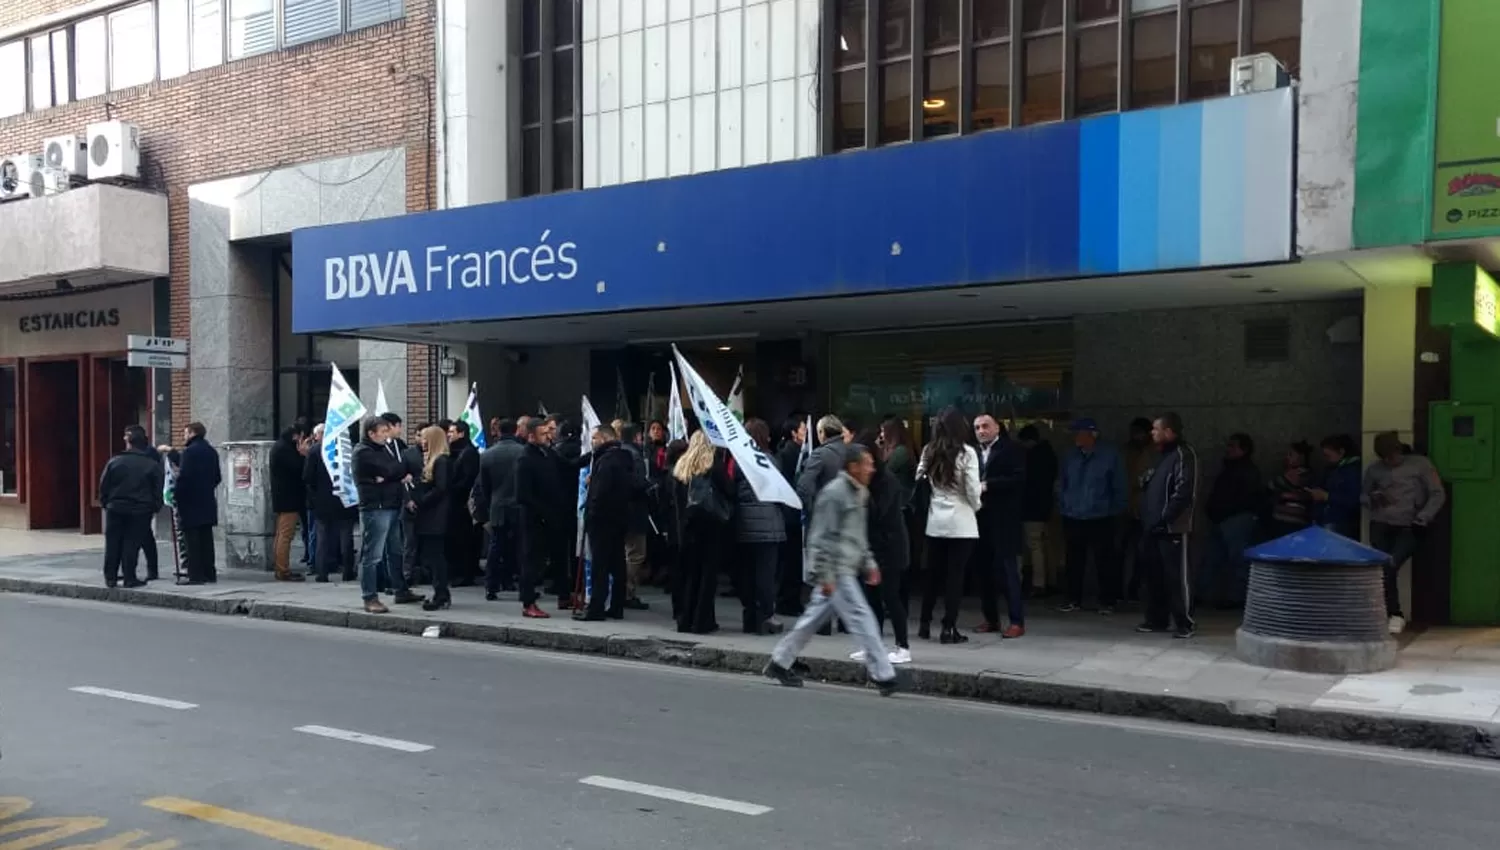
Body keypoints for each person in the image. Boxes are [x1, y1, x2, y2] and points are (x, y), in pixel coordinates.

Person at [763, 443, 899, 696]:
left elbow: (857, 535)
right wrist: (825, 575)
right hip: (836, 570)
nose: (871, 468)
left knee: (811, 620)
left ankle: (780, 661)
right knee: (862, 617)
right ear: (853, 466)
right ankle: (884, 675)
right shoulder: (835, 493)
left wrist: (868, 563)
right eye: (867, 463)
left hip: (843, 567)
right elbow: (821, 536)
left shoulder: (859, 492)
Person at [1364, 431, 1446, 635]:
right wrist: (1373, 498)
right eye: (1383, 458)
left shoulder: (1420, 465)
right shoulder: (1374, 470)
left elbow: (1437, 493)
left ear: (1398, 450)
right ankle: (1386, 614)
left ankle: (1395, 613)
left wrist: (1424, 517)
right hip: (1381, 523)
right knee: (1381, 567)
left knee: (1391, 564)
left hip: (1410, 525)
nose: (1388, 461)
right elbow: (1363, 495)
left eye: (1390, 456)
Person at [916, 406, 983, 644]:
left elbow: (919, 479)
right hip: (961, 522)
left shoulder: (928, 451)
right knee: (955, 577)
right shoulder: (967, 453)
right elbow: (973, 489)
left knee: (933, 574)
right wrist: (976, 506)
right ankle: (948, 627)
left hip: (935, 522)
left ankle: (924, 623)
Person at [352, 414, 423, 613]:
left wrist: (390, 476)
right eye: (382, 432)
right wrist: (394, 475)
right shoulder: (363, 452)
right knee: (373, 555)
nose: (386, 435)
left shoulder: (383, 449)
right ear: (370, 433)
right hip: (376, 507)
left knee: (395, 551)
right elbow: (391, 469)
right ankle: (370, 597)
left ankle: (401, 589)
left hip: (391, 505)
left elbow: (396, 468)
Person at [852, 426, 911, 664]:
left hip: (890, 549)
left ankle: (903, 646)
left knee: (890, 598)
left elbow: (880, 515)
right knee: (872, 599)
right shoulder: (866, 481)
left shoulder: (886, 481)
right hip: (871, 549)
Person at [1057, 418, 1126, 614]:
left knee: (1104, 560)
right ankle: (1072, 598)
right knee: (1073, 560)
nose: (1076, 437)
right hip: (1073, 515)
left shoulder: (1110, 455)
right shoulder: (1070, 456)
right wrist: (1064, 503)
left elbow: (1119, 485)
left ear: (1092, 435)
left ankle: (1107, 600)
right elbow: (1062, 482)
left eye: (1080, 433)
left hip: (1101, 515)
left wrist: (1114, 510)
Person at [1138, 413, 1198, 639]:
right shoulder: (1160, 456)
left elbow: (1184, 491)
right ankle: (1156, 619)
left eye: (1156, 429)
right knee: (1153, 576)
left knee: (1176, 576)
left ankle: (1185, 622)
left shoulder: (1184, 454)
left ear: (1169, 431)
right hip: (1152, 525)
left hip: (1173, 527)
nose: (1152, 433)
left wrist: (1165, 517)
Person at [673, 430, 734, 634]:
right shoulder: (713, 465)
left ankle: (685, 619)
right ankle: (702, 621)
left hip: (687, 527)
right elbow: (729, 490)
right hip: (710, 526)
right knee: (708, 576)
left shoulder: (682, 465)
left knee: (690, 575)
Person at [973, 414, 1026, 638]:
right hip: (981, 519)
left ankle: (1016, 620)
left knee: (1008, 571)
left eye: (986, 426)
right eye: (977, 428)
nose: (981, 431)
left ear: (997, 428)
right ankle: (991, 618)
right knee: (984, 570)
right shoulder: (972, 453)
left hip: (1004, 518)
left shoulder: (1011, 449)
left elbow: (1019, 479)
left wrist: (988, 485)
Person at [582, 425, 642, 620]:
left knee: (600, 564)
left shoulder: (607, 461)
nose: (592, 442)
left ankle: (596, 608)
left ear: (604, 438)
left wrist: (591, 513)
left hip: (602, 519)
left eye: (595, 438)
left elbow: (601, 492)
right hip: (619, 517)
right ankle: (617, 605)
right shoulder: (624, 458)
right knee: (617, 564)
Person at [733, 418, 788, 635]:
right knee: (766, 574)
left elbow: (738, 491)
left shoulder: (740, 461)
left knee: (746, 573)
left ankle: (750, 615)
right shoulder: (772, 461)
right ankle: (766, 615)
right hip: (770, 525)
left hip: (745, 523)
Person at [1200, 433, 1265, 609]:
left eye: (1232, 446)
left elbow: (1248, 498)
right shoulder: (1232, 469)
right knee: (1214, 559)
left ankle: (1236, 598)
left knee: (1236, 560)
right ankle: (1210, 596)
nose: (1228, 449)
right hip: (1224, 519)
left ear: (1243, 450)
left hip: (1235, 519)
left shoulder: (1246, 471)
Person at [99, 425, 165, 589]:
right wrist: (155, 507)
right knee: (132, 544)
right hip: (140, 510)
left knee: (113, 542)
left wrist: (106, 503)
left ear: (129, 442)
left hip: (116, 507)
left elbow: (103, 486)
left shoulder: (114, 461)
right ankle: (129, 577)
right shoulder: (151, 464)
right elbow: (158, 489)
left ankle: (111, 577)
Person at [516, 415, 561, 618]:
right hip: (533, 518)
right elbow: (522, 494)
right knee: (531, 560)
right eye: (543, 434)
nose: (547, 436)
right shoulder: (525, 458)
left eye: (548, 432)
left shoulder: (546, 453)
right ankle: (528, 602)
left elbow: (567, 464)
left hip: (547, 515)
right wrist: (542, 512)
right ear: (532, 436)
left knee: (542, 560)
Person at [477, 418, 525, 600]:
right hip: (519, 505)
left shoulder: (487, 454)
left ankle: (491, 586)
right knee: (521, 547)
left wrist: (491, 502)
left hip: (497, 506)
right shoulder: (523, 452)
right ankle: (522, 586)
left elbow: (484, 485)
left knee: (496, 547)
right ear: (515, 431)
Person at [304, 423, 356, 583]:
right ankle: (348, 571)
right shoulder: (349, 449)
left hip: (322, 501)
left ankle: (322, 572)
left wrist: (315, 494)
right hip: (344, 499)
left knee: (322, 538)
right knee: (346, 537)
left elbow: (307, 477)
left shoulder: (315, 450)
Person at [175, 421, 222, 585]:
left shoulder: (189, 452)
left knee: (192, 541)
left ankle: (196, 575)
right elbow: (217, 477)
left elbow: (184, 477)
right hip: (207, 500)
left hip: (190, 502)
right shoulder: (211, 451)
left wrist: (177, 495)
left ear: (192, 433)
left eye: (185, 432)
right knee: (206, 540)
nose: (184, 436)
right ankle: (210, 572)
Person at [413, 425, 455, 611]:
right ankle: (440, 591)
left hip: (436, 515)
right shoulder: (434, 460)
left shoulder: (441, 461)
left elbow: (441, 487)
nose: (422, 441)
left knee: (436, 556)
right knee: (432, 555)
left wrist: (421, 501)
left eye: (425, 438)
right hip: (432, 514)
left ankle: (441, 593)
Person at [774, 414, 809, 617]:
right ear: (794, 433)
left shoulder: (792, 452)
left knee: (791, 560)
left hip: (791, 513)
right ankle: (787, 601)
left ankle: (789, 599)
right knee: (791, 561)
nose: (806, 433)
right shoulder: (791, 453)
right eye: (803, 429)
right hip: (791, 514)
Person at [1017, 424, 1058, 596]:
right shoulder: (1049, 455)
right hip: (1043, 507)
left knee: (1033, 546)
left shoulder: (1031, 458)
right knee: (1040, 545)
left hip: (1030, 507)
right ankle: (1046, 581)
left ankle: (1037, 584)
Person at [618, 422, 653, 610]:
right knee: (636, 554)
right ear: (636, 436)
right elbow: (638, 483)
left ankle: (621, 590)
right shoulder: (634, 455)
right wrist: (649, 485)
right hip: (635, 511)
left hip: (621, 510)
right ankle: (628, 592)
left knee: (626, 552)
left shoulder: (617, 452)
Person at [445, 419, 483, 587]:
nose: (449, 435)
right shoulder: (455, 451)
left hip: (462, 505)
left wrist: (451, 488)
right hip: (456, 503)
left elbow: (468, 479)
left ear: (461, 433)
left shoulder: (468, 453)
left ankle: (464, 574)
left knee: (464, 540)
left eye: (452, 432)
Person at [269, 424, 309, 582]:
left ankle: (280, 567)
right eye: (300, 437)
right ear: (295, 436)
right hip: (288, 499)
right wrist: (304, 454)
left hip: (284, 498)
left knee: (281, 534)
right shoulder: (284, 450)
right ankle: (282, 570)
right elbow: (298, 469)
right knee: (286, 535)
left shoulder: (280, 447)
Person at [1312, 434, 1362, 539]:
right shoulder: (1331, 469)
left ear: (1341, 452)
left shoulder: (1353, 471)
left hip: (1341, 521)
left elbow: (1354, 499)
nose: (1326, 459)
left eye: (1328, 456)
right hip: (1324, 518)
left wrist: (1327, 496)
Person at [1268, 440, 1316, 538]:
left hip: (1291, 521)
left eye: (1290, 455)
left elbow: (1273, 485)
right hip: (1283, 519)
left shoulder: (1301, 475)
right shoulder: (1305, 474)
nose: (1286, 457)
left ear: (1301, 458)